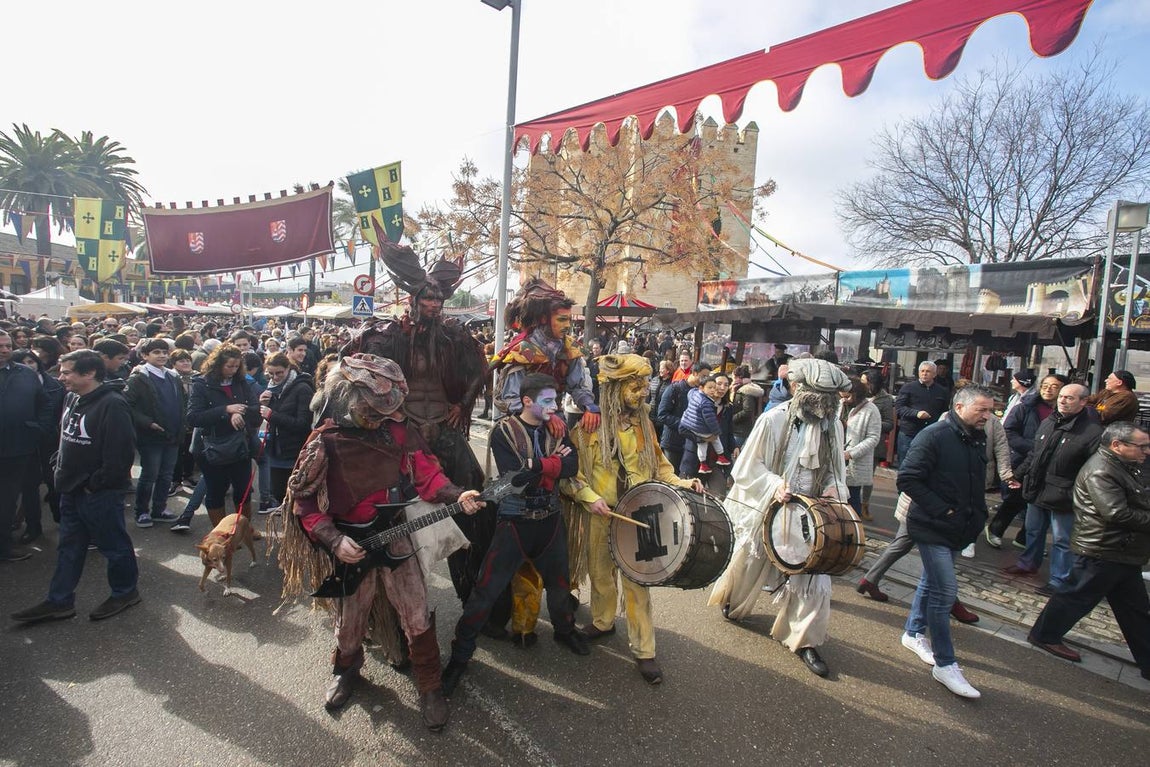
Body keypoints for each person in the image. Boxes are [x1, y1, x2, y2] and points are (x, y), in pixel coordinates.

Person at [276, 354, 483, 730]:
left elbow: (428, 476)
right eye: (369, 410)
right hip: (350, 544)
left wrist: (457, 494)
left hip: (396, 535)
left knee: (417, 614)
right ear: (347, 397)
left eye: (382, 411)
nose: (376, 418)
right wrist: (334, 540)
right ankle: (346, 670)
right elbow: (303, 502)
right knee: (349, 620)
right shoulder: (325, 440)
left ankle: (430, 685)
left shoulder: (400, 431)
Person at [342, 241, 490, 619]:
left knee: (474, 500)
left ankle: (474, 595)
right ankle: (390, 606)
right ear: (413, 302)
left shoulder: (453, 337)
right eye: (427, 303)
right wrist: (389, 416)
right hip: (404, 435)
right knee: (393, 512)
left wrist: (463, 405)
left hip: (444, 425)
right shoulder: (388, 337)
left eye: (438, 303)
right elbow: (355, 370)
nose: (433, 307)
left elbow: (480, 369)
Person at [442, 374, 589, 695]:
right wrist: (550, 464)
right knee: (486, 589)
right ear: (527, 401)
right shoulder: (503, 431)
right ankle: (460, 655)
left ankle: (564, 630)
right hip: (514, 521)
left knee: (561, 585)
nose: (555, 406)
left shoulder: (557, 427)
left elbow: (572, 467)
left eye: (556, 400)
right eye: (548, 401)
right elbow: (519, 479)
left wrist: (538, 464)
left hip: (550, 520)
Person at [563, 354, 702, 684]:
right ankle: (602, 621)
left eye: (644, 386)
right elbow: (571, 477)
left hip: (639, 515)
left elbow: (661, 466)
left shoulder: (645, 426)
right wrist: (589, 498)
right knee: (599, 572)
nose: (644, 393)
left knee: (638, 584)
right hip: (601, 512)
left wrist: (683, 482)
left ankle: (644, 650)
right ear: (614, 389)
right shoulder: (586, 429)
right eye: (635, 386)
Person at [709, 358, 850, 678]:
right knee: (749, 561)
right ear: (800, 391)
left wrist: (832, 487)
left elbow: (835, 472)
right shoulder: (773, 420)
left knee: (815, 577)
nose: (826, 408)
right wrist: (774, 485)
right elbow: (747, 467)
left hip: (809, 514)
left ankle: (805, 640)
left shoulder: (833, 426)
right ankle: (734, 600)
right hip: (769, 504)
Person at [11, 350, 140, 623]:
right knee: (69, 547)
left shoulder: (113, 404)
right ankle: (59, 601)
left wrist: (94, 484)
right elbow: (66, 435)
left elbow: (120, 456)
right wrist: (59, 465)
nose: (61, 377)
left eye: (67, 372)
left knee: (114, 546)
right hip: (70, 490)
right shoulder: (71, 397)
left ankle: (125, 592)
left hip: (99, 494)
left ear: (89, 373)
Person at [1026, 422, 1150, 679]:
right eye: (1141, 446)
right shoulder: (1102, 470)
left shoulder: (1124, 466)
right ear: (1117, 445)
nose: (1146, 451)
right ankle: (1044, 635)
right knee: (1075, 597)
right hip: (1102, 549)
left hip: (1122, 552)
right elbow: (1116, 512)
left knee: (1135, 610)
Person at [896, 385, 996, 699]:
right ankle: (946, 663)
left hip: (959, 526)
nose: (987, 416)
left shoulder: (976, 436)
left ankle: (913, 632)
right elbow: (908, 478)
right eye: (981, 409)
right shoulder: (934, 435)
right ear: (960, 406)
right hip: (932, 525)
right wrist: (943, 509)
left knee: (932, 582)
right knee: (944, 592)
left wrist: (974, 514)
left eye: (990, 410)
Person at [1004, 384, 1102, 597]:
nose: (1063, 401)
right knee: (1033, 530)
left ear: (1083, 402)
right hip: (1037, 488)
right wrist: (1018, 475)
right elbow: (1035, 454)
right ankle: (1028, 563)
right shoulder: (1049, 421)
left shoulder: (1092, 431)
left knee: (1062, 539)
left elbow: (1094, 469)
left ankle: (1059, 579)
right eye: (1062, 397)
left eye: (1069, 398)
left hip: (1064, 494)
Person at [986, 374, 1066, 549]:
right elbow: (1008, 431)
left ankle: (1024, 539)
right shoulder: (1025, 407)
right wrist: (1034, 449)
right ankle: (995, 530)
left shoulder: (1065, 412)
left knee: (1038, 503)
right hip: (1023, 460)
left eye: (1054, 386)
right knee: (1015, 499)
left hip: (1050, 465)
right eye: (1045, 385)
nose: (1048, 389)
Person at [186, 344, 260, 528]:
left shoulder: (241, 382)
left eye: (236, 367)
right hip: (212, 447)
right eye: (229, 366)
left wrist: (238, 412)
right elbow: (194, 417)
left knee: (243, 490)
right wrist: (226, 410)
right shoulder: (201, 384)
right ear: (217, 364)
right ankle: (221, 533)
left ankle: (244, 529)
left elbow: (255, 409)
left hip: (240, 446)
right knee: (216, 490)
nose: (233, 371)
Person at [0, 332, 54, 562]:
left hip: (17, 448)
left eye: (6, 345)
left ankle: (4, 547)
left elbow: (45, 404)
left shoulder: (25, 374)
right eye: (0, 346)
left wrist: (38, 428)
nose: (4, 349)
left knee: (7, 500)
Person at [124, 339, 187, 527]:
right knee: (149, 474)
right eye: (156, 352)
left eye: (164, 352)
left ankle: (159, 508)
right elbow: (127, 405)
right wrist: (148, 423)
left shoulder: (172, 376)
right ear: (144, 355)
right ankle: (142, 511)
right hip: (151, 436)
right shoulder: (138, 378)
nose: (161, 355)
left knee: (166, 475)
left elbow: (182, 401)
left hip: (173, 434)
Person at [11, 350, 65, 544]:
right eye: (23, 362)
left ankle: (62, 519)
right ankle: (33, 527)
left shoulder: (56, 385)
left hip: (51, 440)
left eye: (31, 361)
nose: (29, 365)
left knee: (55, 482)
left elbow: (60, 412)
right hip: (24, 441)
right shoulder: (13, 384)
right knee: (29, 486)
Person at [258, 352, 314, 510]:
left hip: (294, 452)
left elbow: (303, 423)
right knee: (278, 494)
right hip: (276, 450)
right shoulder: (272, 388)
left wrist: (272, 415)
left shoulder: (302, 388)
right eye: (271, 373)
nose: (275, 377)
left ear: (288, 368)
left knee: (295, 499)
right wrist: (264, 404)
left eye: (279, 373)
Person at [893, 361, 950, 465]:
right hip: (909, 433)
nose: (924, 373)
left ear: (934, 374)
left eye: (928, 371)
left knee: (926, 464)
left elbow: (944, 411)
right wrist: (916, 413)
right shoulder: (908, 387)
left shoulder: (942, 391)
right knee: (905, 463)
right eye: (922, 371)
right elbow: (899, 407)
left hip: (931, 434)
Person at [843, 376, 882, 521]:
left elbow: (873, 438)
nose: (844, 400)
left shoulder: (871, 410)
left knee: (853, 498)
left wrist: (851, 453)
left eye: (847, 397)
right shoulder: (841, 405)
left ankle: (854, 532)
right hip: (837, 460)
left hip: (854, 461)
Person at [679, 374, 733, 475]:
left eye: (726, 385)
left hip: (716, 460)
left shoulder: (727, 407)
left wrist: (734, 447)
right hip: (694, 458)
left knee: (718, 489)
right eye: (719, 384)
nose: (722, 388)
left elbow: (729, 431)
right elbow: (682, 428)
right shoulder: (698, 402)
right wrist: (702, 439)